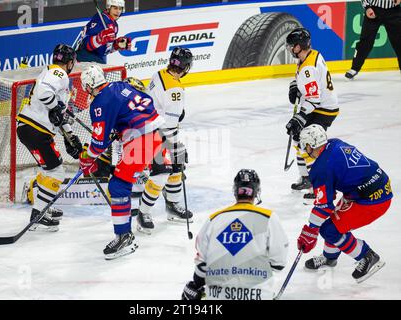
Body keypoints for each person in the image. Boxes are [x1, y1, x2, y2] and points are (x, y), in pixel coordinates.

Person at [78, 64, 164, 260]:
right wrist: (124, 124)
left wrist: (87, 158)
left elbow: (99, 144)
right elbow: (146, 101)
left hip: (142, 140)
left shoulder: (99, 102)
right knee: (119, 183)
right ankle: (124, 234)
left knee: (118, 186)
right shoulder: (118, 85)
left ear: (89, 86)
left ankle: (125, 237)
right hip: (154, 134)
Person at [296, 125, 392, 283]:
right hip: (376, 185)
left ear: (309, 145)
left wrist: (310, 232)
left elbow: (324, 206)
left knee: (330, 230)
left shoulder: (321, 168)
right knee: (334, 223)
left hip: (372, 200)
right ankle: (329, 258)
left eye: (304, 146)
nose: (304, 150)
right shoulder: (334, 143)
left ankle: (368, 256)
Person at [181, 169, 289, 300]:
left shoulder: (214, 219)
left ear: (235, 191)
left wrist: (196, 285)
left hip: (218, 296)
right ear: (256, 192)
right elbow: (279, 263)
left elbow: (202, 264)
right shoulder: (269, 218)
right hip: (258, 294)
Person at [16, 44, 83, 231]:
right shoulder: (59, 74)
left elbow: (57, 114)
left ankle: (43, 207)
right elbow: (45, 95)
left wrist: (70, 136)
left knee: (50, 170)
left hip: (30, 129)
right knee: (56, 172)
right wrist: (55, 107)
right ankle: (38, 213)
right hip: (35, 130)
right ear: (70, 63)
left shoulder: (50, 72)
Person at [134, 47, 194, 235]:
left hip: (147, 127)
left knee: (176, 166)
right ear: (186, 67)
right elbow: (169, 126)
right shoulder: (175, 89)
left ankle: (172, 205)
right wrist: (177, 147)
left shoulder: (158, 74)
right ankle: (143, 214)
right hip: (153, 133)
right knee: (161, 173)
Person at [285, 28, 339, 201]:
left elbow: (314, 99)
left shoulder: (308, 67)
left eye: (292, 46)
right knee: (297, 137)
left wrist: (299, 117)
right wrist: (295, 85)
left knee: (309, 142)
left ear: (300, 47)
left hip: (323, 109)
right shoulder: (308, 56)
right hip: (318, 105)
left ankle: (319, 184)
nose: (290, 49)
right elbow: (305, 81)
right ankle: (306, 177)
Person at [345, 0, 401, 80]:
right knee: (365, 41)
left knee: (399, 41)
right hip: (374, 9)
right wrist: (367, 7)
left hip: (393, 10)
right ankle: (354, 68)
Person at [75, 0, 131, 64]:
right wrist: (99, 38)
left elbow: (106, 50)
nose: (118, 11)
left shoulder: (114, 25)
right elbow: (86, 44)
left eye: (120, 8)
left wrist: (117, 45)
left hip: (96, 57)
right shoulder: (100, 19)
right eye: (115, 8)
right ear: (109, 8)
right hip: (84, 56)